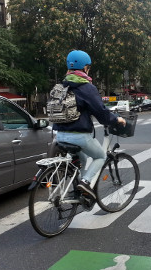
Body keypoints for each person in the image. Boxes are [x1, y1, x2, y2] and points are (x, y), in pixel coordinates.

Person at [53, 50, 126, 200]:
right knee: (100, 156)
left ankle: (77, 188)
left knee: (83, 159)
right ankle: (85, 183)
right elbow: (102, 113)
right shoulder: (86, 87)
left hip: (59, 136)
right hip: (78, 136)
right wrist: (116, 119)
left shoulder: (61, 87)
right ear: (85, 67)